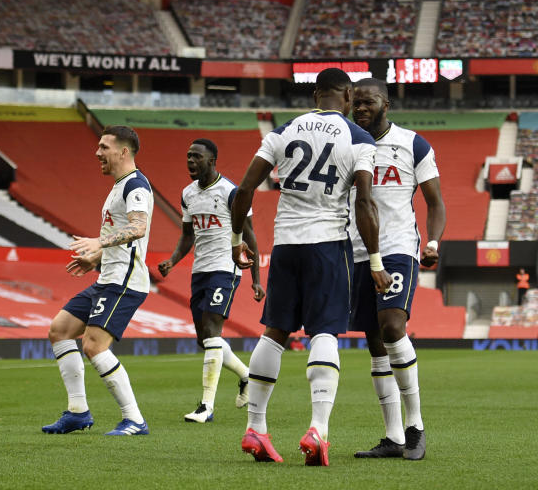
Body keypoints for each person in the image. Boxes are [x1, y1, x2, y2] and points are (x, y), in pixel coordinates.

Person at [230, 68, 390, 466]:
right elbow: (364, 203)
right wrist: (374, 260)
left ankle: (256, 428)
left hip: (285, 244)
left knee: (274, 333)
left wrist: (236, 241)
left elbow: (245, 189)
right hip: (327, 246)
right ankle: (318, 429)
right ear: (348, 96)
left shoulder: (284, 130)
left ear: (316, 94)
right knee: (324, 331)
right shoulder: (360, 138)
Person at [349, 78, 445, 461]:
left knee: (392, 326)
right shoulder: (349, 143)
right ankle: (391, 437)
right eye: (356, 103)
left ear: (386, 103)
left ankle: (415, 426)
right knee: (374, 341)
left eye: (368, 102)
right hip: (356, 249)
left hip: (398, 248)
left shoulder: (413, 143)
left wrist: (434, 242)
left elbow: (435, 202)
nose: (361, 108)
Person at [43, 125, 154, 437]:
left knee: (93, 345)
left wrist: (99, 244)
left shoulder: (136, 186)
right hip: (108, 276)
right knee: (60, 330)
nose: (97, 153)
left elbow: (138, 228)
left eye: (104, 147)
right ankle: (78, 412)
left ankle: (135, 419)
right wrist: (96, 258)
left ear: (123, 151)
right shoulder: (119, 186)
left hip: (125, 281)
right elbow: (125, 237)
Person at [157, 138, 265, 423]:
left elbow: (250, 234)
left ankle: (206, 406)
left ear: (212, 160)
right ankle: (246, 377)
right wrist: (172, 260)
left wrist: (255, 278)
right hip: (200, 270)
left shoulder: (231, 192)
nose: (190, 161)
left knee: (212, 328)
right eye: (188, 156)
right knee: (205, 339)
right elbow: (188, 235)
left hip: (226, 266)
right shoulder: (188, 194)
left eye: (196, 157)